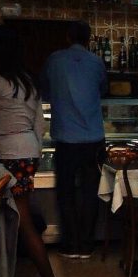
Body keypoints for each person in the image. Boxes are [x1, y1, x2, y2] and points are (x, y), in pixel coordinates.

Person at [0, 24, 62, 277]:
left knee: (21, 218)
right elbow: (40, 125)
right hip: (28, 153)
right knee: (19, 214)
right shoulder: (27, 80)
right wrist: (33, 151)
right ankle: (13, 273)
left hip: (6, 154)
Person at [42, 21, 107, 259]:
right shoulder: (97, 62)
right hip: (93, 139)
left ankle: (71, 245)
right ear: (89, 40)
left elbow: (45, 92)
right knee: (90, 191)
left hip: (66, 140)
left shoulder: (54, 60)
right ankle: (88, 245)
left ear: (68, 37)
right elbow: (103, 89)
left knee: (66, 192)